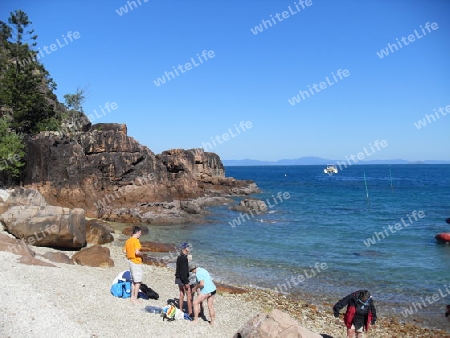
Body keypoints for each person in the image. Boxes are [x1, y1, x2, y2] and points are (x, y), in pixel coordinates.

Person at [124, 226, 144, 304]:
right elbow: (137, 252)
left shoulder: (128, 240)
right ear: (137, 232)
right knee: (138, 281)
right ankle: (135, 298)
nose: (140, 235)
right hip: (136, 262)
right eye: (140, 233)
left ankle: (132, 297)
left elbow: (125, 251)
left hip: (130, 261)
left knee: (133, 281)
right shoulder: (136, 241)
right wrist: (142, 254)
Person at [175, 242, 192, 315]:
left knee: (181, 293)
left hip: (178, 277)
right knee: (188, 295)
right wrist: (186, 282)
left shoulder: (179, 257)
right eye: (188, 248)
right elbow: (184, 271)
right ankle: (190, 312)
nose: (189, 249)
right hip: (183, 278)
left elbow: (180, 269)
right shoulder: (184, 258)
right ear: (185, 249)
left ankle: (180, 310)